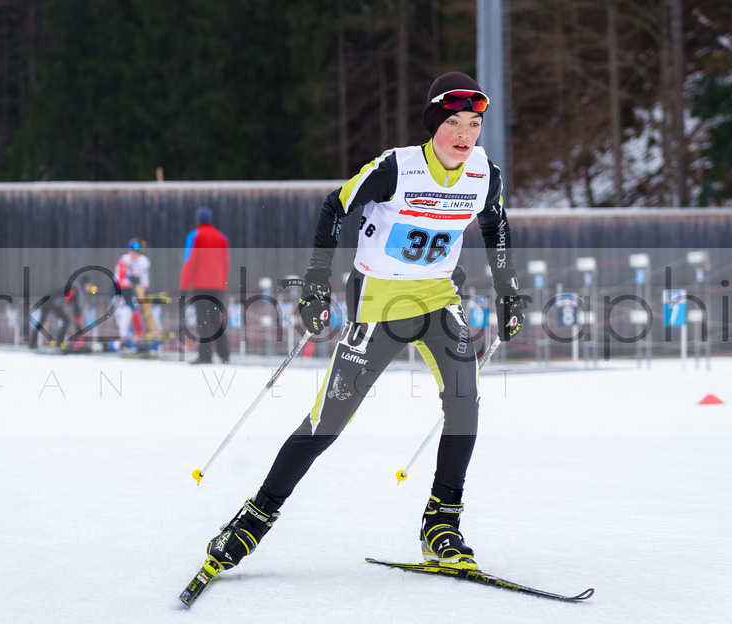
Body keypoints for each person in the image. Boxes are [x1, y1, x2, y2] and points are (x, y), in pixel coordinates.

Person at [200, 72, 528, 576]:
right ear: (434, 125)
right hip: (378, 306)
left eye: (475, 123)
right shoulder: (397, 168)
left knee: (465, 400)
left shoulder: (486, 174)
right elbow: (335, 205)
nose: (465, 134)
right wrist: (315, 282)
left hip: (439, 299)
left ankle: (442, 523)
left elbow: (495, 223)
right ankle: (253, 519)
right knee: (327, 423)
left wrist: (508, 291)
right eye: (454, 123)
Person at [180, 206, 231, 364]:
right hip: (218, 285)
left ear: (197, 219)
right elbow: (226, 262)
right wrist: (223, 284)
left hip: (200, 284)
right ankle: (224, 354)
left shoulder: (194, 236)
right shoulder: (222, 237)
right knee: (216, 319)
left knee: (203, 319)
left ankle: (205, 355)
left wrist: (183, 286)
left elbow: (188, 262)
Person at [28, 276, 93, 352]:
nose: (90, 287)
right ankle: (59, 342)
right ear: (85, 284)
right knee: (66, 321)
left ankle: (33, 343)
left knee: (42, 322)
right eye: (89, 285)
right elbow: (77, 311)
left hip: (48, 300)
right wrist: (79, 330)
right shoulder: (78, 290)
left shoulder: (76, 287)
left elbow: (75, 310)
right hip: (54, 302)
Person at [111, 238, 151, 352]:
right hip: (118, 291)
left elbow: (144, 280)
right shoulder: (124, 260)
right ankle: (123, 341)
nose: (133, 254)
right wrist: (131, 282)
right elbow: (120, 280)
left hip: (130, 292)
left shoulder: (144, 262)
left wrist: (145, 289)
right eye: (132, 251)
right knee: (126, 313)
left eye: (136, 252)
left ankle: (141, 343)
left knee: (136, 314)